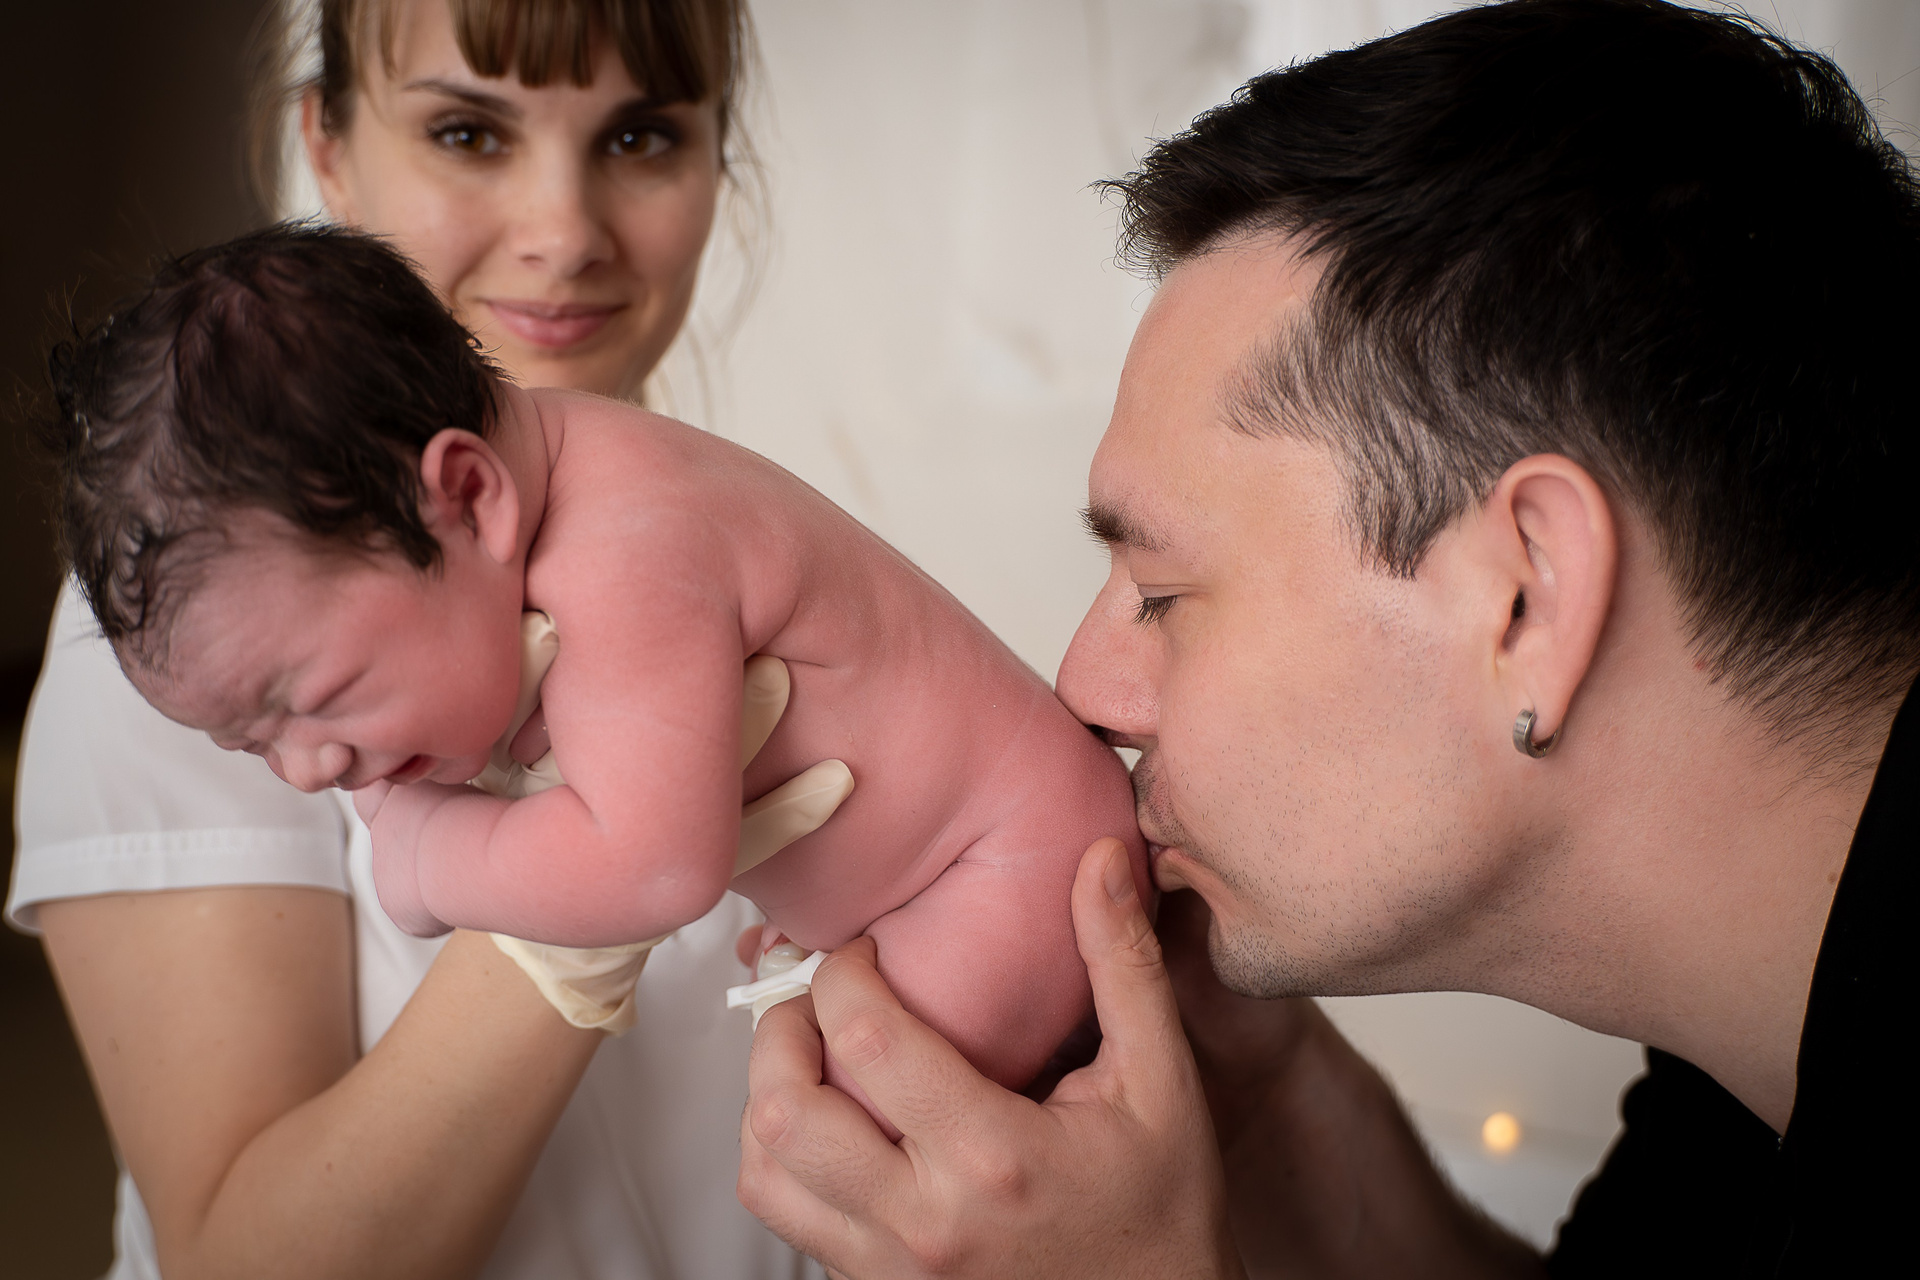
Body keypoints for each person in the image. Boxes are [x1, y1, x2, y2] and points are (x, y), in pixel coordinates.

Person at [732, 1, 1918, 1276]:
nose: (1086, 689)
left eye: (1161, 593)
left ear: (1530, 598)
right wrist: (1264, 1102)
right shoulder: (1748, 1055)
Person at [8, 2, 837, 1277]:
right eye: (468, 132)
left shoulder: (759, 557)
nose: (564, 231)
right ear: (326, 148)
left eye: (639, 137)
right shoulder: (192, 632)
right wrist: (573, 899)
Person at [48, 224, 1145, 1110]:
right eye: (250, 745)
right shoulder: (560, 482)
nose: (307, 769)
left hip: (1006, 871)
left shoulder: (626, 547)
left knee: (859, 1136)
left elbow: (655, 870)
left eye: (320, 699)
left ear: (468, 496)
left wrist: (428, 857)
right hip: (954, 879)